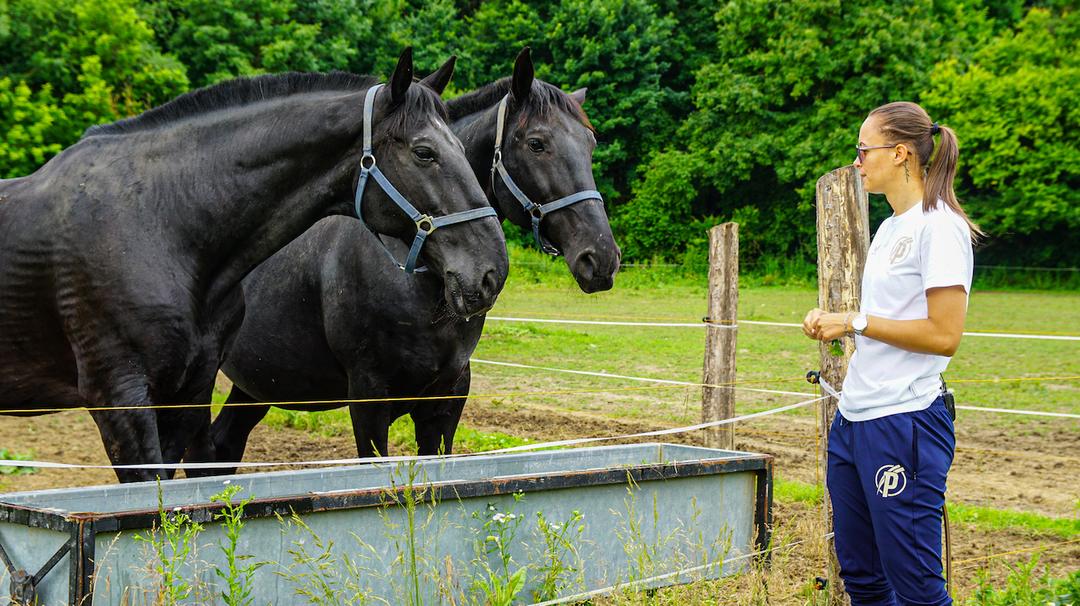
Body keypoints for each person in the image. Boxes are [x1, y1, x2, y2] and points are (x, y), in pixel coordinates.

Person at [802, 101, 980, 605]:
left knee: (917, 587)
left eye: (863, 150)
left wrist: (855, 320)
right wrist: (839, 323)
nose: (857, 161)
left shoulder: (940, 227)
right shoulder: (888, 229)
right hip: (855, 421)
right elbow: (892, 323)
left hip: (905, 424)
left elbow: (944, 335)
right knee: (862, 578)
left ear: (900, 153)